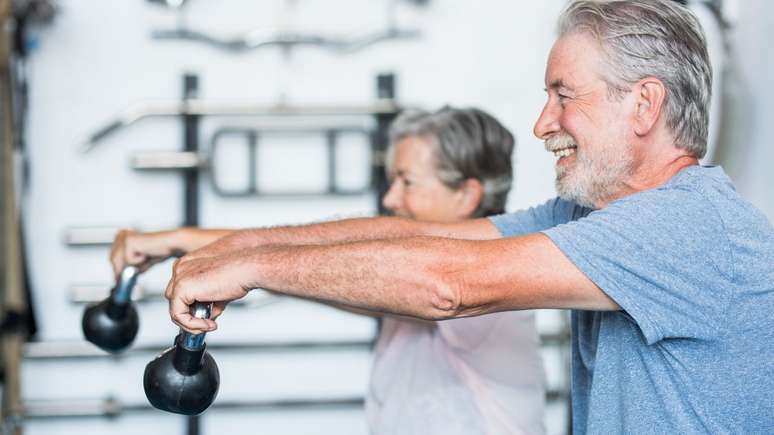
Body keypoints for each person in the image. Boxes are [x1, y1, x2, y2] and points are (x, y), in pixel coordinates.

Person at [115, 1, 774, 432]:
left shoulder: (686, 227)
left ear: (643, 105)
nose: (544, 122)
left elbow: (448, 282)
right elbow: (413, 235)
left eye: (563, 95)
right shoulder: (591, 218)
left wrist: (251, 265)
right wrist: (218, 248)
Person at [112, 107, 546, 434]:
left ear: (467, 196)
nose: (392, 199)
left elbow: (336, 259)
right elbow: (328, 267)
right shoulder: (411, 286)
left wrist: (190, 245)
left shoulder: (484, 281)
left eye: (407, 182)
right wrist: (194, 249)